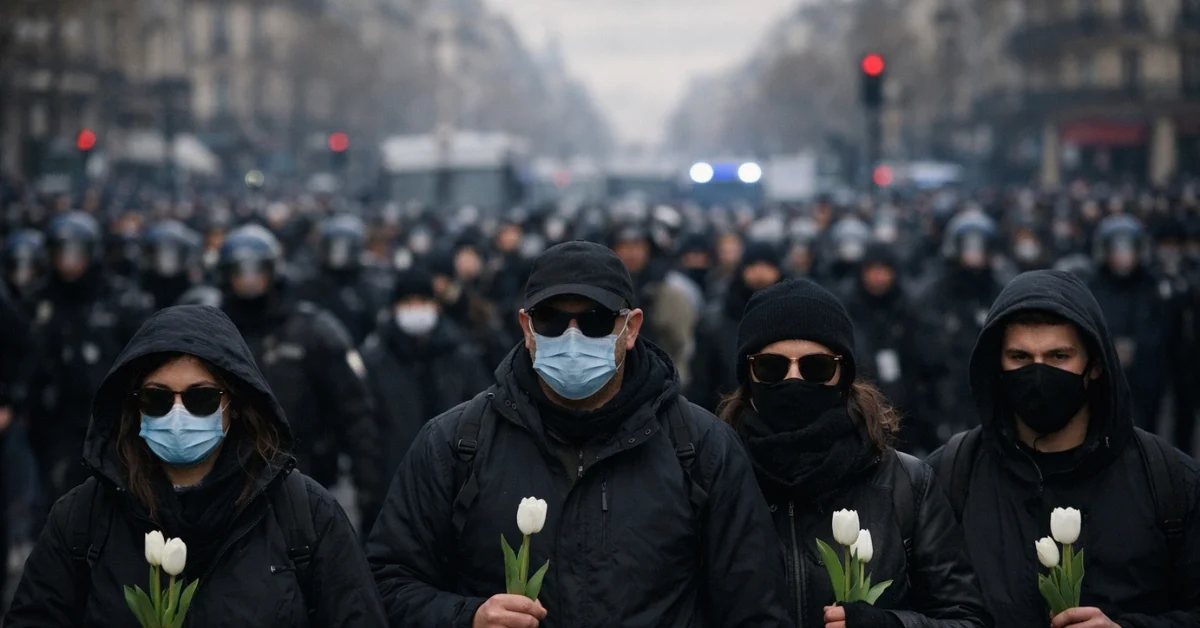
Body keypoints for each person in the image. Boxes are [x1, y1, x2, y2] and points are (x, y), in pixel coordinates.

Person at [367, 240, 792, 628]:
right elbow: (385, 585)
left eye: (595, 320)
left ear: (631, 328)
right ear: (527, 327)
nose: (573, 337)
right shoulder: (456, 443)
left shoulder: (701, 448)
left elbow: (754, 606)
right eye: (551, 320)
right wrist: (468, 618)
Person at [4, 304, 387, 626]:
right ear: (134, 406)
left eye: (201, 397)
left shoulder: (305, 517)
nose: (178, 413)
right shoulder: (84, 518)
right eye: (157, 398)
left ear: (234, 403)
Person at [928, 270, 1200, 626]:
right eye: (1020, 357)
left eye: (1059, 356)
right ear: (997, 366)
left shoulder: (1168, 482)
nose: (1038, 374)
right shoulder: (950, 477)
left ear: (1095, 365)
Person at [722, 279, 991, 628]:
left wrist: (889, 626)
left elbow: (967, 620)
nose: (793, 380)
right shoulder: (716, 480)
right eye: (771, 367)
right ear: (748, 376)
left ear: (843, 375)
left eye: (817, 368)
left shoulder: (905, 484)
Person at [216, 224, 382, 525]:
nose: (249, 280)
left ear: (273, 271)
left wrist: (368, 482)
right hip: (228, 481)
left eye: (257, 270)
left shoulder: (313, 330)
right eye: (240, 271)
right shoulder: (212, 331)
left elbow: (355, 411)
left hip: (306, 478)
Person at [27, 211, 154, 506]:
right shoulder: (39, 301)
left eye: (76, 252)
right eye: (61, 253)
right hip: (56, 422)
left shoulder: (121, 299)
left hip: (114, 421)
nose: (68, 262)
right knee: (61, 501)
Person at [359, 267, 490, 503]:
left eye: (422, 301)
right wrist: (369, 483)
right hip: (392, 484)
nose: (416, 308)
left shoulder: (459, 354)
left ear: (436, 305)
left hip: (454, 482)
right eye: (408, 302)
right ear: (394, 308)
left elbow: (481, 412)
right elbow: (364, 426)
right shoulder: (375, 360)